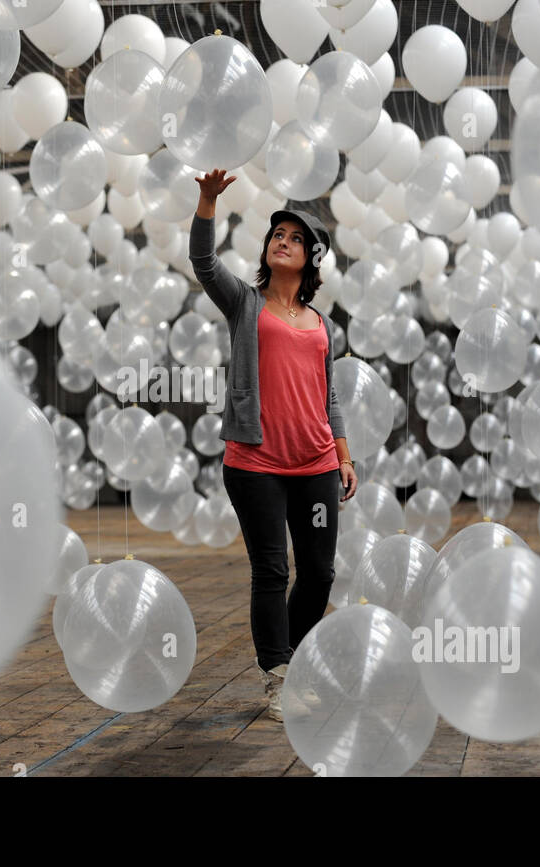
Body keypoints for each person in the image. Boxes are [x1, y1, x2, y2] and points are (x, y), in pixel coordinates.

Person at [189, 168, 358, 723]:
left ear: (311, 257)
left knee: (320, 573)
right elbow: (204, 264)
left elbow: (329, 395)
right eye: (276, 236)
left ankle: (297, 659)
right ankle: (278, 674)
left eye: (294, 239)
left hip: (314, 464)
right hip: (256, 463)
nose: (281, 242)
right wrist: (208, 201)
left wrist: (343, 455)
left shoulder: (321, 324)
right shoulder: (245, 303)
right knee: (272, 570)